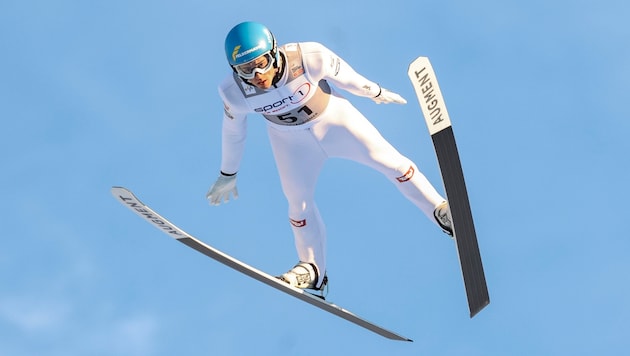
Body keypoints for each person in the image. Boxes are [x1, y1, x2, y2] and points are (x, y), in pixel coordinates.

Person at [206, 21, 452, 294]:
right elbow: (233, 130)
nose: (257, 74)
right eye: (246, 69)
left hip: (335, 123)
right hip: (291, 142)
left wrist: (375, 92)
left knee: (392, 163)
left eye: (261, 62)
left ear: (274, 52)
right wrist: (228, 172)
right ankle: (312, 270)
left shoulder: (308, 56)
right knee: (298, 205)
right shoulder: (234, 92)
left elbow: (348, 78)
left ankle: (440, 211)